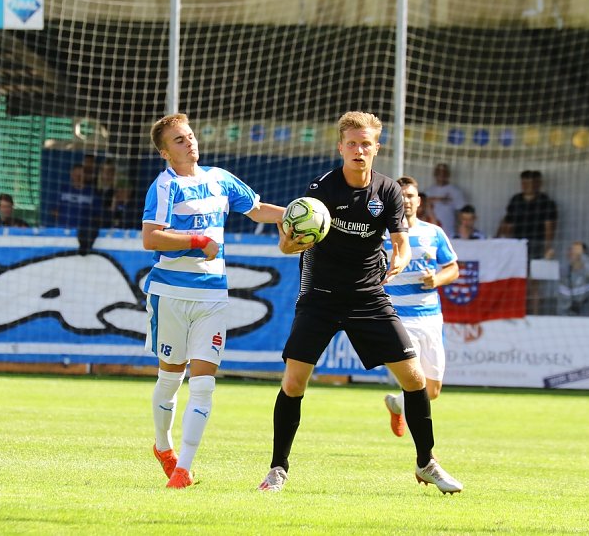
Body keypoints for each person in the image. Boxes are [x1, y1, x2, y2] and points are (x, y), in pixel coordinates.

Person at [257, 112, 462, 495]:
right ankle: (277, 470)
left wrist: (399, 259)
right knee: (294, 382)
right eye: (352, 143)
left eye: (366, 143)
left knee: (415, 379)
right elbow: (287, 244)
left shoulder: (388, 191)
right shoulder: (321, 189)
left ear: (376, 148)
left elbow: (401, 243)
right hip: (320, 296)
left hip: (368, 296)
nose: (358, 150)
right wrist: (290, 242)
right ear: (341, 147)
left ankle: (427, 463)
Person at [142, 113, 285, 489]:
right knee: (170, 378)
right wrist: (196, 241)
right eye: (179, 140)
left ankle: (183, 469)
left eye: (189, 135)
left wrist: (295, 215)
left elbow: (256, 209)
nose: (189, 142)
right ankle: (163, 446)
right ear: (164, 153)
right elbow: (151, 238)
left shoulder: (220, 179)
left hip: (212, 295)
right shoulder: (164, 186)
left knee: (204, 384)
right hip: (170, 294)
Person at [383, 175, 459, 438]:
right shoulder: (382, 234)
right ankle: (425, 450)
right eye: (400, 196)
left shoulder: (433, 233)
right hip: (398, 318)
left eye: (410, 196)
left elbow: (453, 269)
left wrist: (436, 279)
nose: (405, 200)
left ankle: (396, 404)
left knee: (432, 391)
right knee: (413, 383)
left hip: (430, 318)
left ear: (419, 201)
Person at [498, 169, 558, 314]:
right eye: (524, 183)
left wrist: (547, 247)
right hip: (517, 247)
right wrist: (499, 239)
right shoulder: (516, 200)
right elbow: (507, 222)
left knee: (535, 281)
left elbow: (549, 227)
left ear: (538, 184)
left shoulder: (546, 202)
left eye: (530, 183)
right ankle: (520, 311)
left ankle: (535, 314)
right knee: (519, 280)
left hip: (537, 246)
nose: (527, 186)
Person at [424, 163, 466, 238]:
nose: (441, 175)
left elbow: (461, 212)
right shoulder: (428, 191)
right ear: (435, 174)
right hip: (431, 231)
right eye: (439, 172)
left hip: (450, 232)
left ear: (448, 174)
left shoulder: (455, 191)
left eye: (444, 172)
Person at [558, 241, 589, 316]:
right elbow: (546, 273)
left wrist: (582, 256)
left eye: (575, 250)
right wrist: (547, 260)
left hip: (584, 314)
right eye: (570, 249)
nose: (571, 252)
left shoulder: (588, 271)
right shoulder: (564, 270)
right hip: (564, 314)